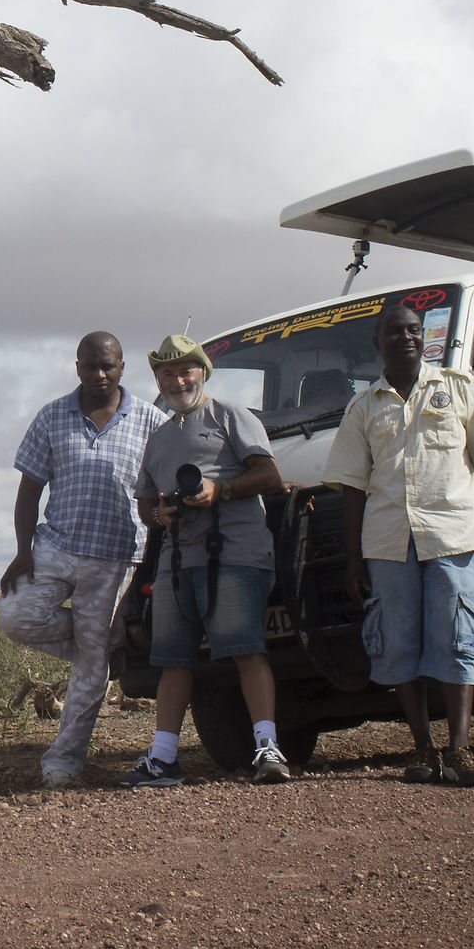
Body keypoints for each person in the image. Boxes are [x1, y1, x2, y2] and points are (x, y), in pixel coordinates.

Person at [323, 302, 474, 786]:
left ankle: (461, 751)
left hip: (454, 534)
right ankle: (422, 749)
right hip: (387, 542)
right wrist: (352, 558)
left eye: (413, 331)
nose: (406, 338)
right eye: (394, 332)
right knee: (398, 645)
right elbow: (350, 487)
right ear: (377, 343)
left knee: (455, 639)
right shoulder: (363, 408)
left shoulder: (458, 388)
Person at [119, 334, 291, 788]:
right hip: (178, 562)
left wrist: (221, 490)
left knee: (246, 651)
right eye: (168, 373)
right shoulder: (158, 438)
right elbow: (144, 506)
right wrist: (162, 512)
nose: (178, 380)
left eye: (186, 370)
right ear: (157, 380)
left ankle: (267, 750)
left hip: (235, 552)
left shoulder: (231, 416)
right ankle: (163, 758)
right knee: (172, 661)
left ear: (203, 372)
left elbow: (270, 475)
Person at [0, 331, 164, 788]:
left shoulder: (151, 421)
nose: (99, 374)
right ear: (77, 367)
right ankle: (106, 647)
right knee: (15, 615)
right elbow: (29, 489)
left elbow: (159, 493)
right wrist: (20, 552)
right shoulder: (52, 416)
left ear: (122, 367)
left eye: (108, 365)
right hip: (55, 546)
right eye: (90, 366)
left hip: (114, 559)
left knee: (91, 667)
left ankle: (64, 763)